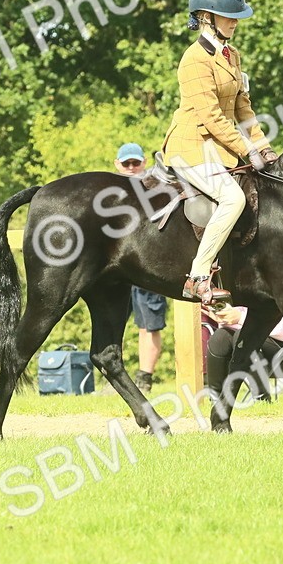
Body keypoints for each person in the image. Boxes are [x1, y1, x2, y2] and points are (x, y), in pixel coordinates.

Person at [162, 0, 277, 305]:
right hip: (191, 146)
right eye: (230, 16)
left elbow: (244, 107)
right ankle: (198, 275)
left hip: (219, 146)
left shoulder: (232, 55)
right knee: (233, 199)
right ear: (206, 17)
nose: (235, 23)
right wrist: (246, 150)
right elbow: (212, 116)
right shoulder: (193, 60)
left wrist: (263, 145)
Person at [113, 143, 168, 392]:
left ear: (144, 162)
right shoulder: (109, 193)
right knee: (114, 323)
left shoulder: (155, 188)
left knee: (149, 326)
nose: (132, 168)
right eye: (127, 164)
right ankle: (116, 376)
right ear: (118, 165)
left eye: (135, 163)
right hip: (116, 268)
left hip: (148, 265)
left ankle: (144, 379)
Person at [203, 304, 283, 400]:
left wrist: (240, 317)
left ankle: (262, 398)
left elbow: (282, 331)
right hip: (260, 352)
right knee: (221, 335)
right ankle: (216, 400)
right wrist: (224, 317)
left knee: (245, 336)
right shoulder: (244, 289)